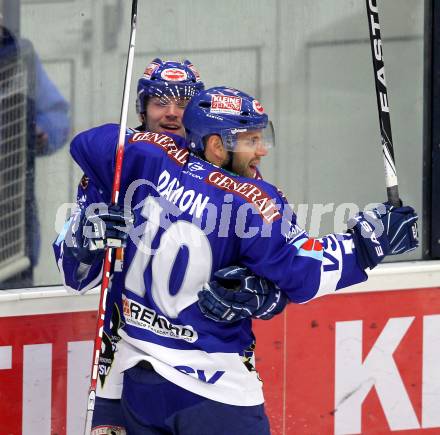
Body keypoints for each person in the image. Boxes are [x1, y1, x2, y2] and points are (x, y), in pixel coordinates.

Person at [55, 86, 418, 434]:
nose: (261, 151)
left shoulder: (149, 158)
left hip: (140, 385)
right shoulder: (253, 200)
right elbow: (304, 274)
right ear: (216, 146)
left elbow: (86, 143)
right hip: (214, 392)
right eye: (251, 140)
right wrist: (372, 241)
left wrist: (162, 149)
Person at [55, 58, 204, 434]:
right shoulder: (116, 165)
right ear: (142, 107)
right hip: (124, 353)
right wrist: (86, 238)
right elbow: (74, 276)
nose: (172, 114)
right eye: (160, 102)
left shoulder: (222, 166)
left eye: (183, 103)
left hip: (203, 358)